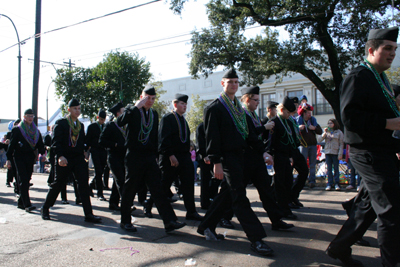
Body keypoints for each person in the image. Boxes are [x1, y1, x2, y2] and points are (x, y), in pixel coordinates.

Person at [326, 27, 400, 267]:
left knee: (366, 208)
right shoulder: (359, 76)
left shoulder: (381, 79)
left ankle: (338, 248)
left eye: (395, 49)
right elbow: (349, 118)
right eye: (387, 48)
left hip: (383, 151)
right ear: (371, 50)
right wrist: (388, 123)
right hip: (368, 153)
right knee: (390, 211)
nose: (392, 54)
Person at [198, 69, 274, 256]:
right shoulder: (214, 108)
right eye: (230, 81)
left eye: (236, 82)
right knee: (239, 197)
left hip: (241, 157)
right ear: (222, 84)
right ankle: (256, 239)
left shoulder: (239, 110)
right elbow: (212, 138)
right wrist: (216, 162)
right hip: (226, 158)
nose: (233, 85)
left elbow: (249, 134)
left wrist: (263, 152)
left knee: (227, 195)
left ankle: (206, 226)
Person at [117, 86, 186, 233]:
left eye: (153, 98)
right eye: (147, 97)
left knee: (158, 189)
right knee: (130, 188)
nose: (150, 101)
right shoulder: (132, 109)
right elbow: (120, 122)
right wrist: (135, 108)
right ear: (141, 96)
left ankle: (170, 221)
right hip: (134, 155)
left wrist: (156, 155)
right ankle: (125, 221)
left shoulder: (154, 114)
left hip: (149, 156)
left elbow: (155, 136)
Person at [241, 86, 294, 231]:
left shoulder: (254, 115)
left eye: (259, 100)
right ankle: (221, 218)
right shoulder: (243, 114)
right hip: (245, 159)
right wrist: (264, 129)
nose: (258, 103)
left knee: (266, 191)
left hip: (256, 157)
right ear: (247, 99)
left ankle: (276, 220)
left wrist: (264, 151)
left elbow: (258, 136)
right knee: (234, 192)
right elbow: (249, 136)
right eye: (256, 100)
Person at [41, 98, 101, 223]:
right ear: (69, 109)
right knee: (58, 184)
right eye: (75, 108)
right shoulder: (61, 123)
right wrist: (60, 156)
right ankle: (45, 208)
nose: (77, 111)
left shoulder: (80, 125)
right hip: (65, 158)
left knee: (83, 185)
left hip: (78, 158)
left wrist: (85, 151)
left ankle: (89, 214)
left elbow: (82, 141)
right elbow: (56, 142)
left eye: (79, 108)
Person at [151, 93, 202, 221]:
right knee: (164, 185)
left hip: (184, 157)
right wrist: (170, 155)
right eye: (182, 104)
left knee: (188, 185)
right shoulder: (167, 118)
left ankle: (191, 211)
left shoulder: (183, 120)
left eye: (185, 104)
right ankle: (148, 204)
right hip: (170, 157)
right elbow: (163, 139)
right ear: (175, 105)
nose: (184, 106)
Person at [6, 109, 45, 212]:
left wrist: (43, 153)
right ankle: (27, 204)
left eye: (32, 116)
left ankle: (20, 202)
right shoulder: (18, 130)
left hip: (30, 157)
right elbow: (11, 146)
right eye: (28, 116)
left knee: (27, 179)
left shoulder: (35, 131)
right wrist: (9, 159)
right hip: (19, 157)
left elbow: (40, 144)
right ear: (24, 117)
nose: (30, 118)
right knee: (23, 180)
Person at [269, 97, 298, 219]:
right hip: (278, 156)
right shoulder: (275, 122)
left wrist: (291, 156)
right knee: (279, 183)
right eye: (287, 112)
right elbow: (271, 141)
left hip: (286, 156)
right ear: (281, 110)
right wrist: (270, 156)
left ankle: (285, 205)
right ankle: (282, 209)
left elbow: (291, 140)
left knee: (288, 181)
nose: (288, 114)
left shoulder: (289, 122)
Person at [99, 102, 126, 211]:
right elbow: (102, 141)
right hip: (113, 157)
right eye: (123, 111)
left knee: (118, 181)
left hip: (123, 157)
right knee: (121, 181)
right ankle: (126, 205)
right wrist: (115, 144)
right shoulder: (111, 125)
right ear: (118, 113)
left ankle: (113, 203)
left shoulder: (125, 125)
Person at [297, 104, 322, 188]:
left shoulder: (313, 121)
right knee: (302, 164)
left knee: (312, 164)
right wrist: (298, 128)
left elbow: (320, 131)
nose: (310, 114)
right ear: (304, 113)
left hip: (313, 145)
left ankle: (312, 181)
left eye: (310, 112)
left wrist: (314, 128)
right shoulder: (298, 121)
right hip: (303, 146)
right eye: (308, 113)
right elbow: (293, 131)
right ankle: (302, 181)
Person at [87, 109, 107, 201]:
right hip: (95, 150)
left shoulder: (105, 127)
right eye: (101, 119)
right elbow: (88, 139)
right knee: (98, 171)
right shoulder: (92, 126)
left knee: (101, 171)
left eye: (104, 119)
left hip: (103, 151)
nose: (102, 121)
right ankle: (100, 193)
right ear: (98, 117)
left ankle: (90, 186)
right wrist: (86, 151)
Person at [320, 118, 344, 191]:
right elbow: (319, 140)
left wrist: (340, 153)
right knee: (329, 169)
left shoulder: (339, 132)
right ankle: (329, 183)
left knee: (336, 168)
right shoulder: (327, 131)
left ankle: (337, 183)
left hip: (335, 152)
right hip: (328, 152)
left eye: (331, 123)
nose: (329, 124)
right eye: (329, 123)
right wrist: (324, 133)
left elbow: (341, 143)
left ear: (334, 124)